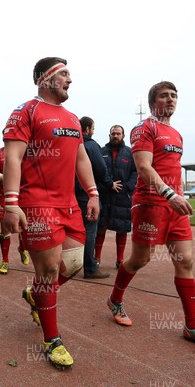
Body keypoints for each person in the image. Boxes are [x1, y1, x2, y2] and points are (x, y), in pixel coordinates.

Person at [106, 81, 195, 350]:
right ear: (152, 103)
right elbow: (143, 166)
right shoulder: (144, 128)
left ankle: (192, 326)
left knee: (186, 261)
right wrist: (169, 195)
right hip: (151, 203)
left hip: (175, 206)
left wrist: (177, 197)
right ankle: (115, 299)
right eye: (164, 96)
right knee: (140, 259)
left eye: (173, 96)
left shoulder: (177, 134)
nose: (170, 100)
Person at [2, 57, 100, 370]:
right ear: (46, 79)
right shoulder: (26, 111)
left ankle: (35, 295)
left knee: (71, 265)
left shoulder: (72, 118)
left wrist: (93, 193)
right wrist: (11, 201)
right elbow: (13, 158)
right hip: (37, 203)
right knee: (47, 272)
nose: (71, 79)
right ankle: (52, 339)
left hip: (69, 204)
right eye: (65, 74)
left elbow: (81, 159)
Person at [75, 116, 116, 279]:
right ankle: (90, 268)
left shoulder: (71, 143)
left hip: (70, 193)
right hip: (87, 194)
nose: (94, 130)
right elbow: (101, 169)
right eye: (93, 128)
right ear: (87, 129)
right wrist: (110, 184)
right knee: (90, 230)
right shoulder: (92, 145)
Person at [95, 125, 138, 269]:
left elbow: (135, 172)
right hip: (105, 195)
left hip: (122, 197)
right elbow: (96, 171)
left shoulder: (130, 153)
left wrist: (128, 187)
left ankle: (120, 260)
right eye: (113, 133)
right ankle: (97, 258)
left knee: (122, 228)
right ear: (109, 135)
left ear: (123, 136)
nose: (115, 136)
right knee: (101, 227)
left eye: (118, 134)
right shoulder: (101, 152)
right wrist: (104, 186)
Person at [0, 146, 30, 274]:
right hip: (4, 196)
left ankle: (22, 248)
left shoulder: (30, 151)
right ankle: (5, 261)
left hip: (26, 195)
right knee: (5, 229)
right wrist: (13, 177)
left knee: (26, 227)